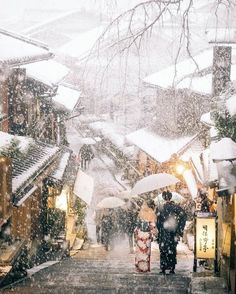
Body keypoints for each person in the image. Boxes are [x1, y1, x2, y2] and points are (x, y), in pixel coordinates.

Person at [156, 191, 187, 275]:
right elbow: (183, 216)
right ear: (171, 197)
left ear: (163, 198)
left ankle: (163, 267)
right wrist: (179, 229)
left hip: (163, 233)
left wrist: (159, 229)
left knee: (163, 250)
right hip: (173, 232)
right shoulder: (176, 207)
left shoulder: (160, 208)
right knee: (172, 249)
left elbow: (158, 222)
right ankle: (172, 268)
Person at [134, 200, 157, 272]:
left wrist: (136, 233)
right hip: (147, 235)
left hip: (140, 234)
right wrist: (154, 233)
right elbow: (152, 226)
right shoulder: (151, 213)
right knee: (146, 252)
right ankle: (146, 267)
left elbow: (137, 225)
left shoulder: (140, 213)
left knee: (140, 251)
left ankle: (140, 266)